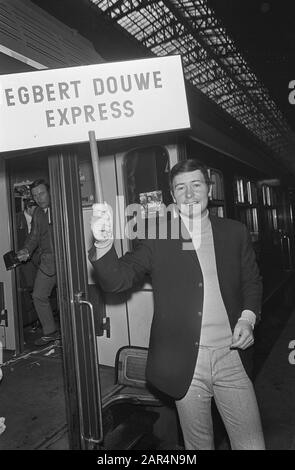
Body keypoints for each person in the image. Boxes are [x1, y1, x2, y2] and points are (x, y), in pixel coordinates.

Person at [89, 159, 265, 450]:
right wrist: (103, 243)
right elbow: (117, 280)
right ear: (173, 196)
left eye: (196, 185)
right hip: (186, 363)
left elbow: (252, 281)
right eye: (180, 188)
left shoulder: (234, 232)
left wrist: (247, 318)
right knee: (198, 447)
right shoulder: (158, 237)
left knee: (252, 445)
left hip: (232, 358)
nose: (190, 193)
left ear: (209, 188)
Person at [17, 179, 59, 347]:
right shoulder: (38, 213)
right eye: (35, 195)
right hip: (48, 262)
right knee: (38, 295)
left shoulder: (61, 207)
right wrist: (26, 250)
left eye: (41, 193)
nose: (39, 198)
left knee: (66, 299)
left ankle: (71, 332)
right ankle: (50, 332)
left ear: (50, 192)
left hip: (66, 261)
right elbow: (33, 236)